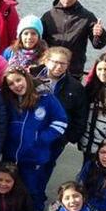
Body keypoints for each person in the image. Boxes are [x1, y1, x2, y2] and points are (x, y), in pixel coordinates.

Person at [1, 66, 67, 211]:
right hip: (10, 157)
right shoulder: (8, 100)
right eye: (11, 84)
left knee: (33, 192)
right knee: (11, 191)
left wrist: (41, 138)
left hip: (34, 158)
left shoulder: (45, 97)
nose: (16, 85)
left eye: (18, 80)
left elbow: (61, 121)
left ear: (26, 78)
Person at [30, 46, 88, 183]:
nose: (58, 66)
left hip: (56, 138)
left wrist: (68, 137)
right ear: (46, 61)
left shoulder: (75, 87)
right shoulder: (31, 78)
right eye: (55, 62)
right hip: (30, 133)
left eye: (63, 63)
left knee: (45, 169)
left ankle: (39, 198)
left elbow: (80, 115)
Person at [40, 0, 106, 76]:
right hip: (51, 68)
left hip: (73, 71)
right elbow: (39, 41)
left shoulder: (87, 17)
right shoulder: (48, 16)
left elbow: (98, 45)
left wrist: (99, 34)